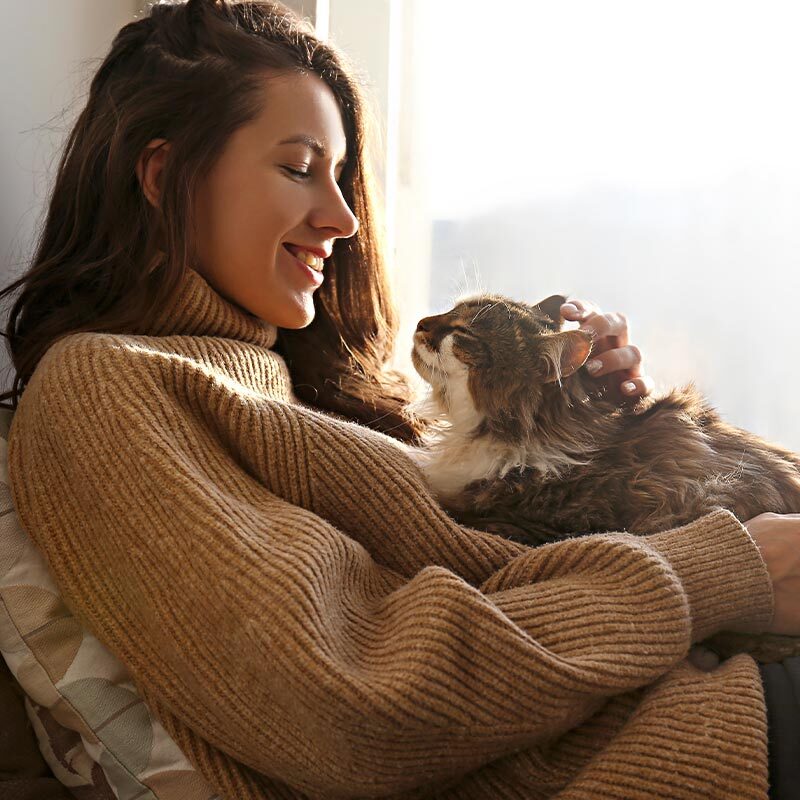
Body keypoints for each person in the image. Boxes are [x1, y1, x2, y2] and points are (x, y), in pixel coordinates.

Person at [1, 1, 798, 797]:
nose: (344, 218)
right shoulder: (102, 392)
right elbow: (355, 707)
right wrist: (722, 566)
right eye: (298, 167)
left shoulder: (286, 389)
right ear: (163, 174)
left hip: (702, 698)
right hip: (696, 745)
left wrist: (608, 433)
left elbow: (511, 568)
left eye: (342, 176)